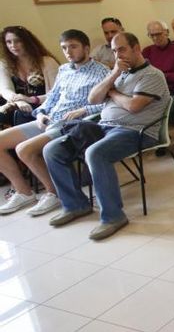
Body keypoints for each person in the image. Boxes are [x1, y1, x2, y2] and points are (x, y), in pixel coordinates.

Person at [43, 32, 170, 240]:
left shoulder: (152, 75)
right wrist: (113, 76)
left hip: (136, 131)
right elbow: (93, 98)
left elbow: (133, 106)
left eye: (122, 49)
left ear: (136, 48)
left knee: (95, 153)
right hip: (103, 126)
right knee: (52, 149)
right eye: (113, 50)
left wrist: (111, 92)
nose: (117, 55)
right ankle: (75, 205)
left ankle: (113, 216)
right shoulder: (119, 72)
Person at [0, 29, 108, 216]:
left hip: (72, 124)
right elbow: (53, 97)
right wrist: (40, 112)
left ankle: (54, 192)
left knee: (23, 149)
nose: (68, 52)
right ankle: (23, 192)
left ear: (86, 48)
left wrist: (83, 110)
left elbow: (108, 104)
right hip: (49, 119)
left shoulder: (101, 72)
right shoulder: (64, 70)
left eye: (73, 47)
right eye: (64, 48)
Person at [0, 26, 60, 127]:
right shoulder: (4, 64)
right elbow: (5, 89)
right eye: (9, 42)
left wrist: (31, 100)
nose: (13, 45)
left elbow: (56, 93)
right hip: (17, 104)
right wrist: (20, 101)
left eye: (17, 41)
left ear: (27, 42)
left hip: (42, 104)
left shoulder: (47, 61)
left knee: (22, 114)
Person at [142, 20, 174, 91]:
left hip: (171, 92)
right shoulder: (146, 51)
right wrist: (172, 74)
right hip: (150, 89)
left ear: (166, 32)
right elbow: (143, 76)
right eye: (152, 35)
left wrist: (155, 75)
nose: (155, 38)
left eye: (158, 34)